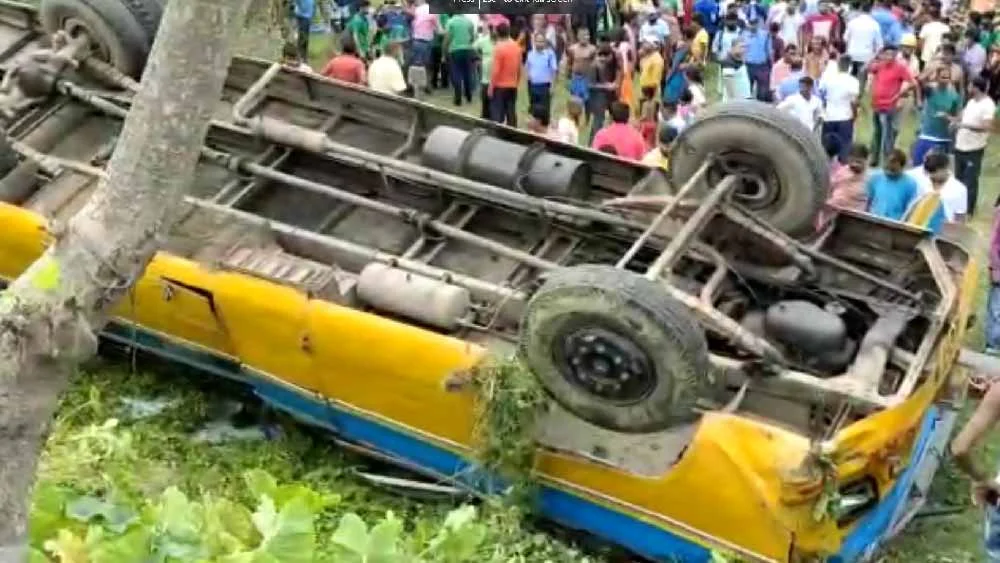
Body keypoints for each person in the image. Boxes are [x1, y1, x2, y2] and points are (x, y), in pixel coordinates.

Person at [868, 45, 918, 167]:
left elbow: (913, 83)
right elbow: (867, 68)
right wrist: (876, 56)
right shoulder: (879, 65)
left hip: (889, 105)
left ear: (895, 55)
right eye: (887, 54)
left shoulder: (900, 67)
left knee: (888, 134)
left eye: (892, 54)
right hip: (876, 104)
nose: (889, 57)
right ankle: (874, 157)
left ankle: (888, 159)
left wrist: (899, 95)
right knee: (877, 132)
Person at [954, 77, 995, 217]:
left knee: (970, 180)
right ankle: (958, 207)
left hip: (974, 148)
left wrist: (965, 125)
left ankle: (969, 210)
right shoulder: (971, 102)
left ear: (976, 88)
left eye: (970, 85)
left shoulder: (988, 105)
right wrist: (951, 119)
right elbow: (962, 118)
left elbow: (986, 126)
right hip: (961, 145)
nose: (968, 88)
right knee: (958, 179)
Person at [911, 67, 961, 165]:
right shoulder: (931, 90)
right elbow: (918, 81)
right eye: (943, 77)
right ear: (937, 78)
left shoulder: (954, 96)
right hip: (926, 135)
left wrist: (947, 117)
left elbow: (958, 118)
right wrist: (919, 100)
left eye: (947, 77)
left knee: (936, 168)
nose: (945, 80)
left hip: (943, 138)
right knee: (918, 165)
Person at [905, 150, 967, 229]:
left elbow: (960, 217)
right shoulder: (922, 183)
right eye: (930, 173)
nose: (931, 176)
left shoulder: (959, 189)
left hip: (944, 231)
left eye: (935, 172)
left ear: (944, 168)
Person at [819, 143, 871, 227]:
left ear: (866, 161)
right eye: (852, 161)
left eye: (859, 162)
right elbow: (830, 187)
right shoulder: (842, 172)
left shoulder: (869, 179)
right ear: (848, 159)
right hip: (834, 215)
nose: (855, 165)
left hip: (855, 218)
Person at [821, 54, 860, 161]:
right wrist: (855, 115)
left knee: (827, 147)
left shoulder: (828, 80)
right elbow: (854, 102)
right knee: (844, 148)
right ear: (850, 67)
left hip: (829, 117)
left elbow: (823, 98)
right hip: (845, 118)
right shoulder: (853, 81)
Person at [865, 148, 918, 221]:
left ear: (902, 167)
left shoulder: (910, 184)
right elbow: (868, 201)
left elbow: (910, 210)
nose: (888, 172)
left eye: (893, 170)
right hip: (873, 220)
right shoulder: (875, 178)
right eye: (886, 168)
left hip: (895, 223)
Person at [587, 41, 623, 144]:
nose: (604, 61)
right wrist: (606, 86)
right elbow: (590, 85)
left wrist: (616, 84)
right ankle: (592, 144)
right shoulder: (594, 65)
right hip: (598, 95)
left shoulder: (615, 57)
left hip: (610, 93)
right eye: (602, 58)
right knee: (598, 120)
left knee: (616, 117)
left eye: (607, 58)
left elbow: (620, 70)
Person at [844, 2, 882, 92]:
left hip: (852, 54)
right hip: (866, 56)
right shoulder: (874, 24)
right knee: (861, 82)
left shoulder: (852, 22)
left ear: (860, 9)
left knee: (850, 79)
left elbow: (845, 38)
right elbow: (880, 45)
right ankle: (859, 96)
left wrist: (847, 51)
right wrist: (873, 57)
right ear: (871, 11)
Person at [444, 11, 476, 107]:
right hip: (467, 49)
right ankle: (468, 95)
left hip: (454, 50)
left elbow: (448, 38)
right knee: (467, 73)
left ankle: (458, 97)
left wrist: (444, 49)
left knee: (456, 73)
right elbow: (472, 37)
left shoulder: (451, 22)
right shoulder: (469, 22)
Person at [525, 32, 559, 120]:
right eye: (537, 41)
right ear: (534, 42)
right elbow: (527, 67)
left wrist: (552, 86)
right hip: (533, 86)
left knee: (544, 111)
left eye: (541, 41)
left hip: (544, 86)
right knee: (533, 110)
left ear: (545, 42)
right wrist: (528, 78)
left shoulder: (550, 54)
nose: (539, 43)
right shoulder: (530, 54)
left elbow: (554, 71)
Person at [566, 28, 598, 118]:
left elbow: (595, 64)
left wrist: (594, 78)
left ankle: (587, 119)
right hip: (576, 77)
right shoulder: (573, 49)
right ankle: (575, 119)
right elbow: (569, 63)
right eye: (583, 35)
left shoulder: (592, 49)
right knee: (575, 101)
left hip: (587, 78)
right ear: (578, 37)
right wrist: (568, 77)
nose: (586, 37)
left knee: (588, 101)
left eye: (587, 35)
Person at [742, 17, 774, 100]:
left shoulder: (765, 35)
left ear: (758, 24)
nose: (753, 26)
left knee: (762, 94)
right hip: (748, 66)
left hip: (762, 66)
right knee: (746, 93)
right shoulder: (743, 35)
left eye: (755, 23)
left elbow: (769, 51)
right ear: (748, 24)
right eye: (751, 23)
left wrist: (771, 65)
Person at [474, 23, 494, 119]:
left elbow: (473, 47)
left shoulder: (485, 39)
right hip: (488, 69)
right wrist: (480, 56)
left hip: (489, 67)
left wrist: (479, 56)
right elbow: (474, 47)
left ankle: (486, 114)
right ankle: (486, 115)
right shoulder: (485, 39)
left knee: (487, 89)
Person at [638, 39, 664, 114]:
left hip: (651, 89)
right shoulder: (648, 57)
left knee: (650, 111)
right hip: (645, 87)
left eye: (642, 49)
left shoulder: (656, 60)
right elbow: (642, 69)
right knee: (643, 110)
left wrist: (651, 91)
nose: (640, 50)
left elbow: (656, 78)